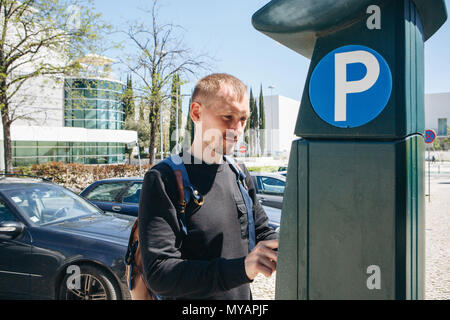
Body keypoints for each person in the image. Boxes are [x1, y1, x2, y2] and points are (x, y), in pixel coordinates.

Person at [138, 73, 278, 300]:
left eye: (243, 119)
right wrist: (241, 269)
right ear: (196, 113)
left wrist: (289, 244)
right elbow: (159, 274)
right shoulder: (163, 178)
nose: (237, 129)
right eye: (227, 116)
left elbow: (262, 232)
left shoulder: (239, 173)